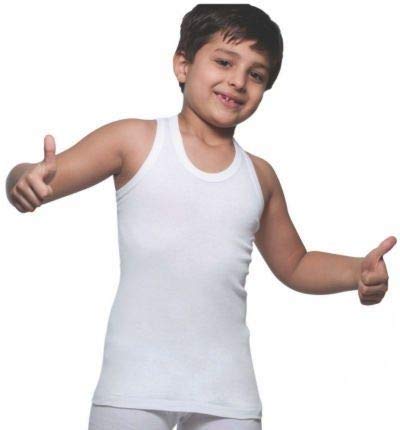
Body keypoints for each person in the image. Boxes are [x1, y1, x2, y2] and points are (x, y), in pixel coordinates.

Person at [5, 4, 396, 430]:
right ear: (183, 65)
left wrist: (357, 271)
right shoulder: (134, 141)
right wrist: (22, 181)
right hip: (134, 385)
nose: (238, 81)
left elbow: (295, 264)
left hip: (227, 394)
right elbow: (39, 176)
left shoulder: (259, 176)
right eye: (224, 62)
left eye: (256, 74)